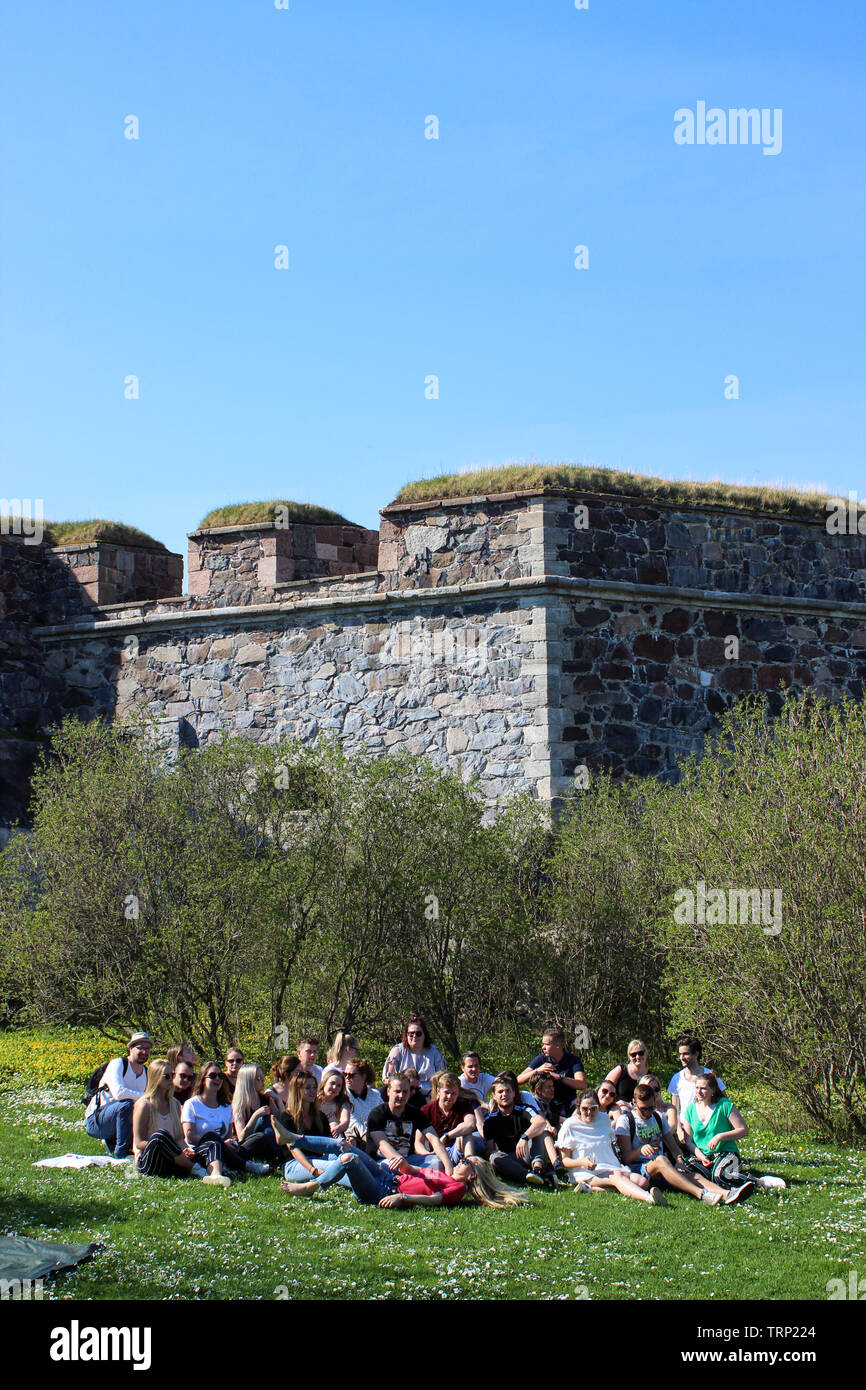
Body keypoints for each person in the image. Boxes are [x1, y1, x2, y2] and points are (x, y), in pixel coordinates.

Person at [613, 1083, 746, 1205]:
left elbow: (674, 1148)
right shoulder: (626, 1121)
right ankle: (702, 1194)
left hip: (662, 1167)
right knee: (661, 1160)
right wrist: (640, 1150)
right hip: (639, 1169)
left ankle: (727, 1194)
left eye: (651, 1107)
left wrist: (679, 1161)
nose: (647, 1112)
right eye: (643, 1109)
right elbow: (626, 1158)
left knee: (693, 1175)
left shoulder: (658, 1117)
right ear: (634, 1103)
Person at [281, 1151, 530, 1210]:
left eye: (466, 1162)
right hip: (388, 1177)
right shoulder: (447, 1176)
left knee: (347, 1160)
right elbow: (416, 1173)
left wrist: (403, 1197)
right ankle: (295, 1154)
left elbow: (434, 1199)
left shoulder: (456, 1188)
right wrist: (404, 1165)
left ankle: (309, 1187)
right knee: (346, 1152)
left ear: (473, 1175)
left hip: (380, 1190)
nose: (461, 1161)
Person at [556, 1090, 665, 1204]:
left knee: (642, 1182)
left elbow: (611, 1147)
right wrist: (582, 1162)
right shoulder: (570, 1125)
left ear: (598, 1107)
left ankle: (590, 1188)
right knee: (617, 1177)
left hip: (610, 1166)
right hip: (586, 1172)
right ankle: (649, 1198)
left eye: (593, 1108)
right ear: (578, 1108)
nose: (589, 1112)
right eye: (585, 1109)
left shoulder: (604, 1119)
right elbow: (565, 1161)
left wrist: (618, 1163)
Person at [132, 1058, 229, 1186]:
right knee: (160, 1136)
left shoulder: (174, 1104)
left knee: (212, 1142)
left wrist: (185, 1149)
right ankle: (197, 1169)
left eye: (172, 1075)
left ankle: (215, 1175)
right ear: (155, 1078)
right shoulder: (144, 1105)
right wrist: (171, 1147)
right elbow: (139, 1143)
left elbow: (178, 1138)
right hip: (151, 1161)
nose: (171, 1079)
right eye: (167, 1076)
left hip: (174, 1161)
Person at [181, 1062, 270, 1178]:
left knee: (259, 1138)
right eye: (212, 1076)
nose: (217, 1079)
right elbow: (191, 1138)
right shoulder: (191, 1104)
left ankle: (229, 1165)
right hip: (201, 1151)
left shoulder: (226, 1107)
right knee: (211, 1136)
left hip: (225, 1151)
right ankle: (245, 1165)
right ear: (203, 1079)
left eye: (221, 1076)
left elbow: (228, 1136)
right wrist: (221, 1143)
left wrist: (229, 1143)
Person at [483, 1074, 559, 1188]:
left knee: (540, 1131)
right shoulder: (490, 1120)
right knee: (494, 1158)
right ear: (494, 1096)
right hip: (510, 1159)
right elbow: (489, 1150)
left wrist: (525, 1137)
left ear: (514, 1093)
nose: (504, 1094)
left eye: (508, 1091)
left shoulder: (525, 1109)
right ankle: (529, 1176)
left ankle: (537, 1170)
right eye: (500, 1092)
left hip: (528, 1154)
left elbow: (541, 1122)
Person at [85, 1031, 152, 1159]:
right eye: (140, 1048)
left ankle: (127, 1145)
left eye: (147, 1049)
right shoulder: (119, 1064)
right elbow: (119, 1093)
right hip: (97, 1121)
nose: (144, 1052)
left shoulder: (146, 1072)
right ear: (131, 1049)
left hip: (123, 1121)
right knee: (126, 1104)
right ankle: (121, 1153)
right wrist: (146, 1096)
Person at [367, 1074, 452, 1172]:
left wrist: (448, 1166)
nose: (401, 1095)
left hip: (409, 1160)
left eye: (405, 1092)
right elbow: (383, 1145)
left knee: (437, 1162)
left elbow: (434, 1139)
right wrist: (405, 1165)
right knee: (394, 1167)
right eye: (397, 1091)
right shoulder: (377, 1114)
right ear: (388, 1092)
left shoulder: (415, 1113)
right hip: (384, 1161)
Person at [667, 1035, 727, 1139]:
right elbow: (675, 1109)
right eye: (680, 1054)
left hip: (709, 1127)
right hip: (685, 1128)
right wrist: (679, 1130)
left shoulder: (710, 1075)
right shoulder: (676, 1079)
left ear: (696, 1054)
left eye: (686, 1054)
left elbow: (724, 1101)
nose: (682, 1058)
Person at [517, 1027, 586, 1111]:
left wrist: (560, 1078)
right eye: (543, 1044)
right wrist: (537, 1070)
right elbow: (517, 1080)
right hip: (544, 1105)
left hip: (567, 1105)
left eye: (547, 1044)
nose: (543, 1047)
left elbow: (582, 1084)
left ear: (557, 1045)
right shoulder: (541, 1059)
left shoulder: (573, 1061)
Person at [420, 1072, 484, 1163]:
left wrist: (447, 1136)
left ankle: (469, 1164)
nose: (450, 1097)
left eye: (454, 1093)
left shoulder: (464, 1106)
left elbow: (471, 1124)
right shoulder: (426, 1110)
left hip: (456, 1149)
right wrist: (427, 1154)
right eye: (446, 1092)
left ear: (458, 1093)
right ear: (438, 1091)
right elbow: (418, 1142)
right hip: (436, 1153)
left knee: (466, 1133)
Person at [381, 1015, 446, 1096]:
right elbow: (387, 1079)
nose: (414, 1036)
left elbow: (443, 1078)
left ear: (424, 1035)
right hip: (403, 1093)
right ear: (406, 1035)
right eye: (411, 1034)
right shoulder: (397, 1050)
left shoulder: (434, 1052)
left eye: (418, 1033)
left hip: (429, 1094)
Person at [232, 1064, 281, 1165]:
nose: (262, 1081)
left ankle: (280, 1154)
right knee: (263, 1120)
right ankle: (282, 1155)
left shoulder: (264, 1098)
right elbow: (241, 1137)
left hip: (267, 1143)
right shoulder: (239, 1105)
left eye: (263, 1077)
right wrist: (256, 1115)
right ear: (248, 1082)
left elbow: (281, 1121)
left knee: (268, 1120)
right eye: (258, 1079)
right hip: (250, 1143)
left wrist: (276, 1099)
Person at [343, 1059, 381, 1144]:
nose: (347, 1078)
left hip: (376, 1138)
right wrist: (367, 1137)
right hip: (356, 1140)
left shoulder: (375, 1095)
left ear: (363, 1076)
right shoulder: (343, 1095)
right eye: (345, 1074)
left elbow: (383, 1116)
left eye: (351, 1075)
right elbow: (352, 1121)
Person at [603, 1040, 651, 1105]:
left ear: (646, 1053)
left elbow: (656, 1098)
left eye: (641, 1053)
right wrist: (615, 1104)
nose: (637, 1057)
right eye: (633, 1055)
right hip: (619, 1110)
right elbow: (603, 1090)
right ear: (629, 1056)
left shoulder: (650, 1077)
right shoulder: (621, 1070)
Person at [317, 1070, 353, 1138]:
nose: (334, 1087)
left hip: (335, 1133)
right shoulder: (315, 1100)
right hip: (317, 1131)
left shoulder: (342, 1103)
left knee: (334, 1124)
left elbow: (345, 1121)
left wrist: (338, 1128)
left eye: (338, 1085)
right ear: (324, 1083)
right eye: (332, 1083)